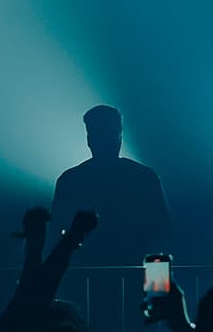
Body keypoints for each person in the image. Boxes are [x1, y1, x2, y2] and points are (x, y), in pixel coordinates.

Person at [50, 105, 172, 251]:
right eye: (102, 136)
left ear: (89, 141)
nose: (106, 142)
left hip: (90, 261)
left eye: (109, 135)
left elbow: (55, 235)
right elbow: (164, 233)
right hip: (132, 261)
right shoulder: (145, 177)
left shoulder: (70, 180)